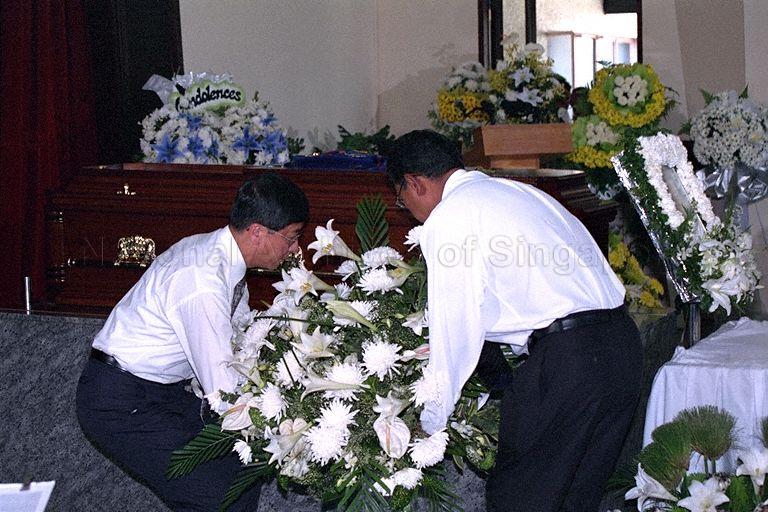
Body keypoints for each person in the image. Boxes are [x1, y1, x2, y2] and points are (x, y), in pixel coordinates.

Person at [385, 130, 642, 512]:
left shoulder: (451, 216)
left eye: (401, 200)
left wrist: (431, 419)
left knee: (520, 499)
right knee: (576, 500)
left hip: (569, 363)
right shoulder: (519, 193)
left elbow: (458, 327)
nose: (408, 209)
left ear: (414, 183)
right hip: (621, 348)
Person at [76, 172, 309, 512]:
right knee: (216, 497)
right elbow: (222, 386)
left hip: (158, 392)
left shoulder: (218, 254)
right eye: (291, 238)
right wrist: (286, 426)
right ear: (258, 232)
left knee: (241, 472)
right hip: (119, 401)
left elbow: (239, 338)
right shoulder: (202, 278)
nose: (295, 248)